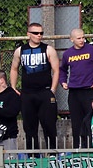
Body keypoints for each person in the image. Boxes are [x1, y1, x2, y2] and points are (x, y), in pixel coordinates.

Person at [10, 22, 59, 154]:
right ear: (28, 34)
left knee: (49, 125)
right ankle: (33, 156)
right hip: (27, 93)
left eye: (41, 33)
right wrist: (13, 87)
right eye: (36, 33)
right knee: (29, 127)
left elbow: (56, 70)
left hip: (45, 92)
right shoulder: (20, 50)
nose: (39, 36)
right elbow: (14, 69)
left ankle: (52, 153)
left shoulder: (48, 49)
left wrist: (53, 90)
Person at [60, 28, 93, 149]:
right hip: (74, 92)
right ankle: (77, 149)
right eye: (79, 38)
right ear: (72, 40)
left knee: (90, 121)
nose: (82, 40)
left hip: (89, 91)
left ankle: (92, 149)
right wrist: (63, 81)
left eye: (83, 37)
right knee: (76, 123)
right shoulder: (67, 54)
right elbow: (62, 70)